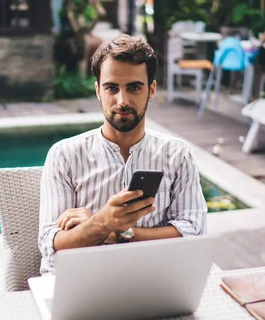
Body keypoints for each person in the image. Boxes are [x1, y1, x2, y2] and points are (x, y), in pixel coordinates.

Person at [38, 35, 208, 275]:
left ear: (151, 90)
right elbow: (50, 247)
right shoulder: (64, 155)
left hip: (153, 278)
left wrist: (110, 230)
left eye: (134, 87)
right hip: (82, 280)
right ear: (98, 91)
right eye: (111, 88)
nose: (122, 101)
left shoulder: (177, 155)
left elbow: (193, 234)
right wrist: (102, 222)